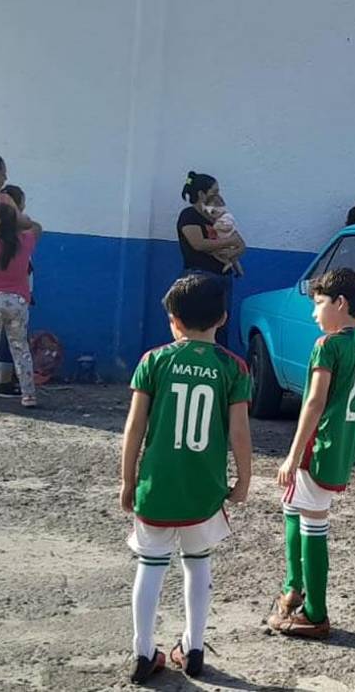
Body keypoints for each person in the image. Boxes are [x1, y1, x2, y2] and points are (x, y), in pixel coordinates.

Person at [119, 274, 253, 682]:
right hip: (204, 489)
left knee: (151, 565)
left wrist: (127, 480)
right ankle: (193, 647)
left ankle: (144, 653)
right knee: (198, 566)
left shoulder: (153, 361)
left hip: (156, 486)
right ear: (224, 317)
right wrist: (244, 479)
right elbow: (240, 432)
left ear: (173, 320)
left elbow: (134, 426)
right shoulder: (233, 367)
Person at [267, 268, 355, 639]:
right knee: (293, 507)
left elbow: (314, 402)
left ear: (340, 303)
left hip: (320, 446)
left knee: (313, 524)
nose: (314, 313)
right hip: (341, 449)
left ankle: (314, 611)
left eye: (319, 303)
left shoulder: (326, 345)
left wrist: (293, 454)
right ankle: (292, 587)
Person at [0, 203, 42, 409]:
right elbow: (37, 227)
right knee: (20, 348)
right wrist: (21, 218)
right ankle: (29, 395)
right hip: (18, 301)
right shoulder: (24, 241)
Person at [177, 172, 246, 347]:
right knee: (197, 325)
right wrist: (230, 242)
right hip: (199, 277)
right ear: (201, 194)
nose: (218, 196)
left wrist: (234, 255)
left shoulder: (218, 218)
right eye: (213, 192)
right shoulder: (189, 215)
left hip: (222, 277)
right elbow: (198, 244)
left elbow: (239, 242)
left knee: (219, 327)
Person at [201, 194, 244, 277]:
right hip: (225, 240)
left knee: (220, 254)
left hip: (228, 240)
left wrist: (217, 226)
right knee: (232, 258)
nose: (212, 215)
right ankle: (238, 271)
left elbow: (228, 227)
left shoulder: (226, 217)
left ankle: (228, 263)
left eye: (213, 212)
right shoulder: (220, 218)